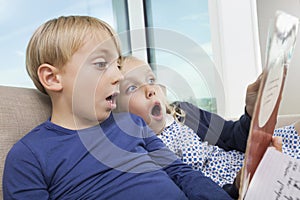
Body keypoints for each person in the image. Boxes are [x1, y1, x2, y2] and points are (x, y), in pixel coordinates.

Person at [2, 16, 232, 200]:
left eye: (118, 64)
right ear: (52, 78)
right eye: (101, 64)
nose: (119, 76)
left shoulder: (132, 123)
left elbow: (180, 173)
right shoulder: (28, 157)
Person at [115, 56, 284, 190]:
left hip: (244, 164)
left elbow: (233, 138)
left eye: (151, 80)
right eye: (132, 88)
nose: (150, 90)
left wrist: (252, 112)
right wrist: (237, 189)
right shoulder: (140, 154)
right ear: (117, 113)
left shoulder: (183, 112)